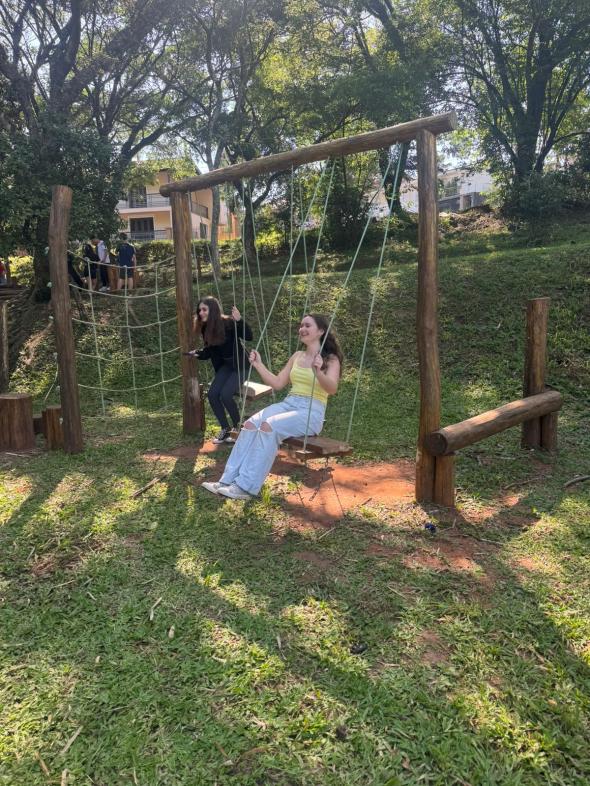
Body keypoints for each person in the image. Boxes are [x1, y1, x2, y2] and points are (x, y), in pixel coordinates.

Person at [201, 313, 343, 500]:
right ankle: (226, 481)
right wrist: (258, 365)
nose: (302, 329)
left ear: (321, 331)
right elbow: (277, 383)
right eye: (301, 325)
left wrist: (318, 372)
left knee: (269, 426)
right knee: (250, 424)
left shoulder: (331, 360)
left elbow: (332, 388)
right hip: (290, 403)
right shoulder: (297, 356)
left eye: (307, 325)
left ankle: (245, 487)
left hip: (311, 411)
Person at [190, 296, 253, 443]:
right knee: (212, 394)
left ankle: (238, 428)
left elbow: (249, 336)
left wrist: (239, 320)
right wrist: (199, 353)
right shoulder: (205, 328)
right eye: (199, 310)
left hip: (241, 365)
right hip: (226, 366)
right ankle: (225, 429)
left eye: (204, 309)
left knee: (225, 395)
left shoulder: (228, 323)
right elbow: (211, 350)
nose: (200, 313)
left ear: (213, 310)